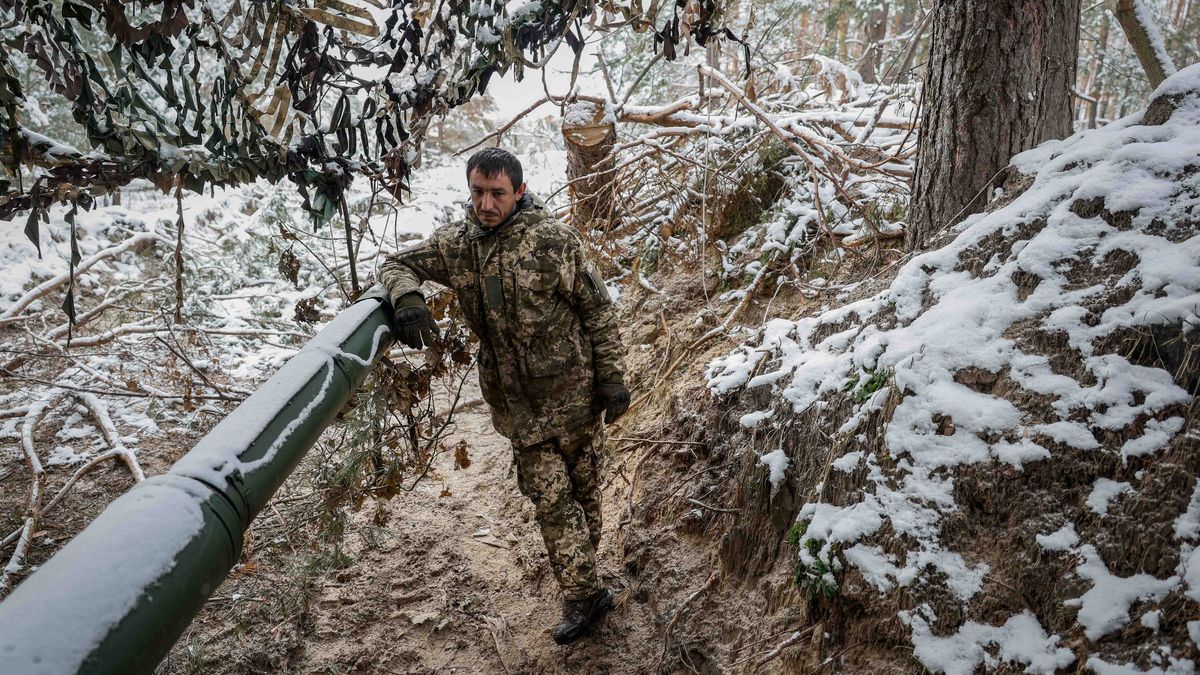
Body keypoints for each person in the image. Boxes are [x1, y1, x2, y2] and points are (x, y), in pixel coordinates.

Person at [378, 147, 630, 645]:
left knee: (585, 494)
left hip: (575, 397)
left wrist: (612, 378)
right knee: (550, 502)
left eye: (497, 193)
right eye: (478, 192)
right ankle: (584, 596)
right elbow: (396, 263)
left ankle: (584, 572)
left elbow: (598, 311)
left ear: (519, 191)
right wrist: (408, 300)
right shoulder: (458, 244)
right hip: (517, 408)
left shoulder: (554, 240)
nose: (486, 204)